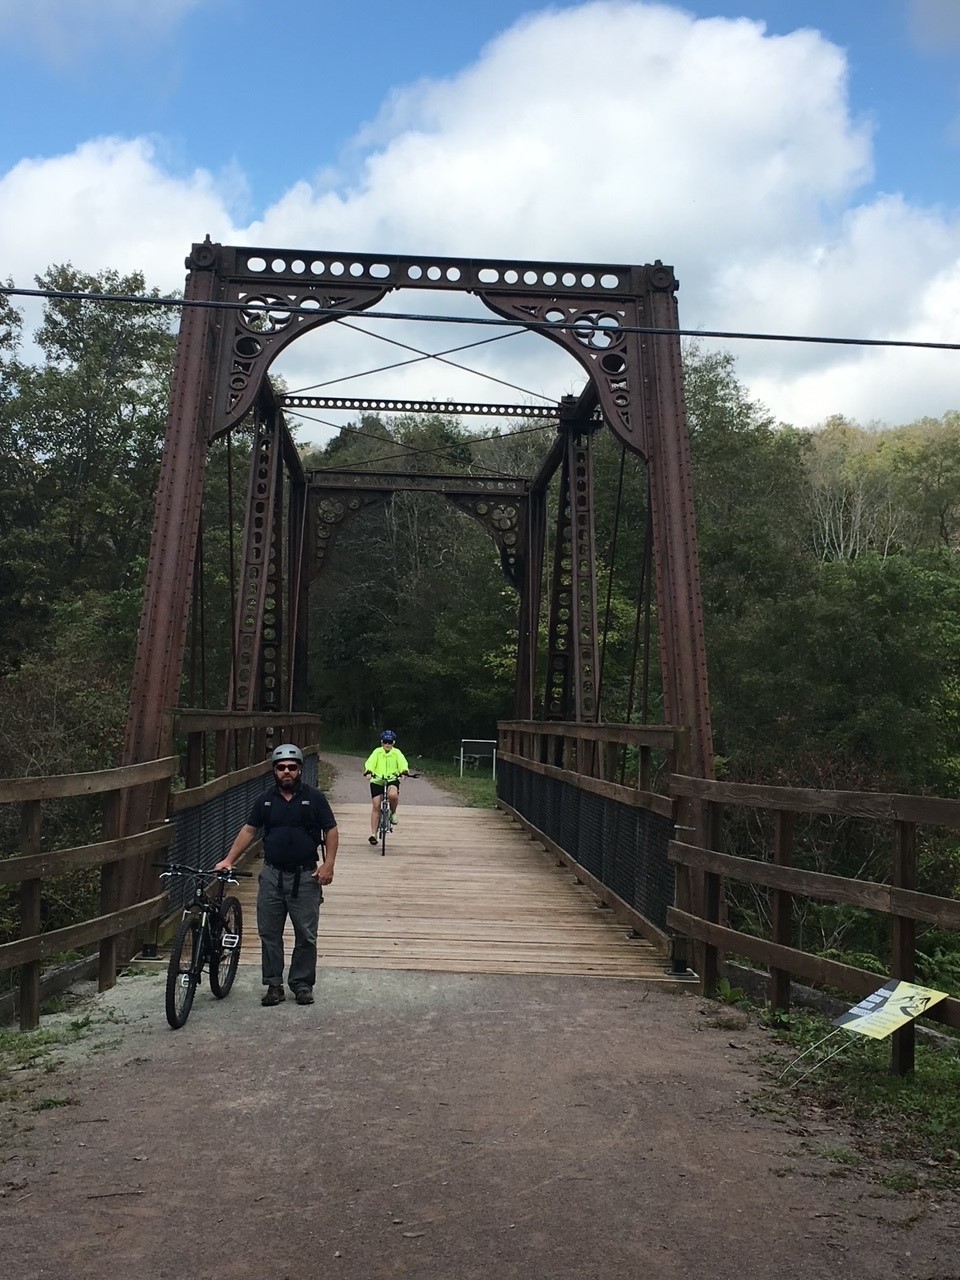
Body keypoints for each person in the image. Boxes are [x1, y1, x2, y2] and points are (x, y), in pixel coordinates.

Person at [215, 743, 338, 1007]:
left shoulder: (314, 798)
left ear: (300, 770)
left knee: (306, 934)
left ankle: (302, 984)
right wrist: (228, 859)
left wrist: (328, 865)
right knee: (269, 933)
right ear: (274, 771)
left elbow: (331, 830)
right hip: (271, 875)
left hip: (306, 877)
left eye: (292, 768)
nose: (286, 772)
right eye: (281, 768)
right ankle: (274, 984)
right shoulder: (265, 800)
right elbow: (249, 830)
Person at [363, 729, 410, 845]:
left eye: (390, 742)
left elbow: (403, 763)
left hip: (392, 779)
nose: (387, 744)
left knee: (393, 795)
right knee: (376, 805)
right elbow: (370, 763)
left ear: (393, 742)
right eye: (385, 742)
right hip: (377, 780)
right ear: (381, 742)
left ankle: (393, 813)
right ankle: (373, 834)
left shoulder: (397, 753)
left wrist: (404, 771)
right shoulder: (377, 752)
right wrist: (368, 771)